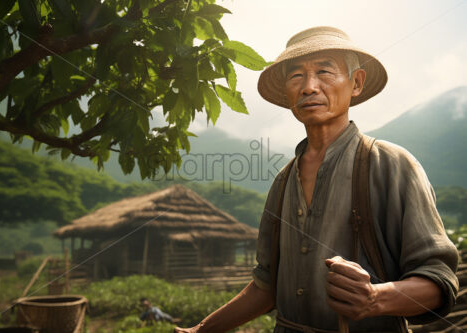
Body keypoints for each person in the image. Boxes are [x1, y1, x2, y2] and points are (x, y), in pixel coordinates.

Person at [174, 26, 459, 332]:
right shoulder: (282, 182)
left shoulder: (391, 164)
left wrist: (375, 298)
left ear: (356, 83)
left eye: (324, 71)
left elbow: (439, 281)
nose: (309, 87)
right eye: (296, 76)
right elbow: (266, 286)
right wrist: (201, 330)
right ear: (287, 91)